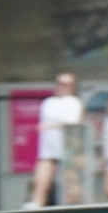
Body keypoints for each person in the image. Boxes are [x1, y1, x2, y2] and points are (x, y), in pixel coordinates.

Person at [29, 72, 83, 206]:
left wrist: (49, 126)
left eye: (66, 84)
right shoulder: (48, 103)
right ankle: (35, 209)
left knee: (71, 187)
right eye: (59, 84)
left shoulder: (74, 103)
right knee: (40, 183)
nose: (61, 87)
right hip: (48, 150)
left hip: (67, 150)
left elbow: (71, 123)